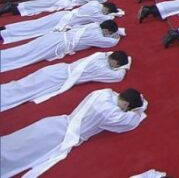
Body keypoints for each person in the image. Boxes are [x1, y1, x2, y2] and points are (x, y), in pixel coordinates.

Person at [0, 88, 147, 178]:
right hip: (62, 137)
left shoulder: (104, 93)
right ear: (127, 105)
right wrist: (138, 108)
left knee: (17, 140)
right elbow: (132, 121)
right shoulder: (112, 114)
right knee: (20, 153)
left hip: (56, 122)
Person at [1, 50, 131, 112]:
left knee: (21, 85)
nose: (116, 66)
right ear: (114, 61)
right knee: (23, 90)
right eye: (117, 64)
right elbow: (118, 77)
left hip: (57, 69)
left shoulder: (99, 56)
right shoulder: (100, 68)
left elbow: (111, 52)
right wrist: (126, 66)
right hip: (56, 79)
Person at [0, 20, 124, 73]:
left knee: (24, 49)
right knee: (26, 56)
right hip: (58, 45)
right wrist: (117, 35)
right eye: (110, 33)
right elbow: (111, 43)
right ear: (107, 31)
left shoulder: (94, 25)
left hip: (55, 37)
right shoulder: (97, 36)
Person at [0, 1, 122, 44]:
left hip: (63, 16)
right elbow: (105, 19)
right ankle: (6, 32)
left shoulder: (95, 4)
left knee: (35, 25)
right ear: (105, 8)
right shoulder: (96, 10)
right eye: (107, 11)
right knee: (34, 27)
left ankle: (6, 29)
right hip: (62, 21)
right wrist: (114, 14)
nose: (106, 13)